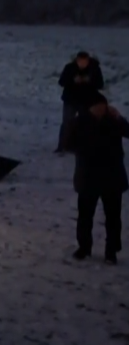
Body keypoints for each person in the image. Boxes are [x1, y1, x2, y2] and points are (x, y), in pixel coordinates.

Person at [70, 93, 128, 265]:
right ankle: (84, 247)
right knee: (85, 216)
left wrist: (119, 118)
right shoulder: (80, 122)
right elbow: (69, 143)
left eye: (103, 106)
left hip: (112, 176)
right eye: (97, 107)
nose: (101, 110)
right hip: (89, 176)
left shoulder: (114, 121)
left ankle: (111, 250)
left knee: (113, 217)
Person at [56, 51, 105, 153]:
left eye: (84, 61)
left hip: (87, 101)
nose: (82, 64)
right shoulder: (70, 68)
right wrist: (72, 80)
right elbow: (61, 81)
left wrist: (89, 81)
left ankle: (82, 146)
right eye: (80, 61)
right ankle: (62, 146)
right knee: (67, 123)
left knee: (85, 124)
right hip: (70, 100)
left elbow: (100, 84)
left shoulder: (94, 69)